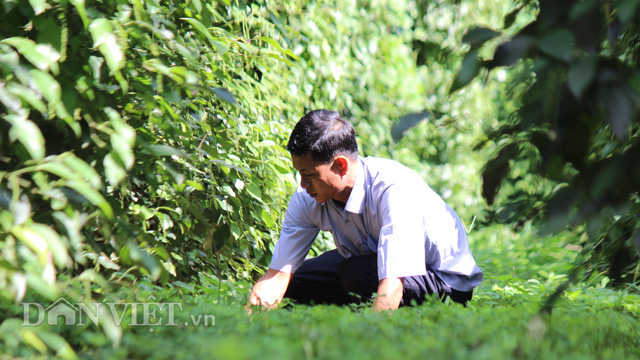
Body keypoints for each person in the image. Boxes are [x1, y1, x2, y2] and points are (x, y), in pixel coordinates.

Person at [248, 109, 483, 311]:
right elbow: (277, 276)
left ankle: (376, 326)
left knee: (356, 274)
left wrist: (366, 341)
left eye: (310, 174)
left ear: (340, 165)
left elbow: (392, 283)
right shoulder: (306, 198)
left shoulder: (392, 188)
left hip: (443, 280)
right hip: (372, 264)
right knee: (296, 281)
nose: (303, 184)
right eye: (299, 173)